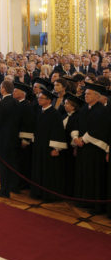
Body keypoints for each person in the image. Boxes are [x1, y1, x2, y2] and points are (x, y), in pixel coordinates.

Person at [73, 83, 109, 214]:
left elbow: (100, 129)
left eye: (88, 94)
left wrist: (83, 139)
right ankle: (83, 200)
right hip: (83, 148)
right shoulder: (83, 108)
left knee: (94, 176)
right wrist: (76, 137)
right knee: (83, 174)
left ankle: (95, 205)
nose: (85, 95)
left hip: (95, 150)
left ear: (97, 96)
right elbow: (77, 124)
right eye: (85, 93)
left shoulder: (103, 111)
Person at [31, 87, 67, 201]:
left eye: (42, 98)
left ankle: (48, 195)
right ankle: (38, 192)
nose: (39, 100)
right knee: (38, 169)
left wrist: (56, 148)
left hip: (48, 148)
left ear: (49, 100)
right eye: (39, 97)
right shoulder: (40, 111)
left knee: (48, 172)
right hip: (38, 147)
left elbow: (58, 132)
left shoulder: (54, 114)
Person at [0, 80, 22, 198]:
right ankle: (13, 186)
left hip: (3, 139)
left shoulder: (1, 104)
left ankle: (4, 190)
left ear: (3, 89)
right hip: (14, 138)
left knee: (3, 165)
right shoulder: (17, 103)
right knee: (12, 164)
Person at [63, 93, 83, 198]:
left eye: (67, 104)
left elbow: (77, 132)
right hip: (64, 147)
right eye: (65, 103)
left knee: (71, 169)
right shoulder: (66, 115)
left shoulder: (77, 117)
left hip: (71, 148)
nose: (65, 105)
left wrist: (75, 147)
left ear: (73, 106)